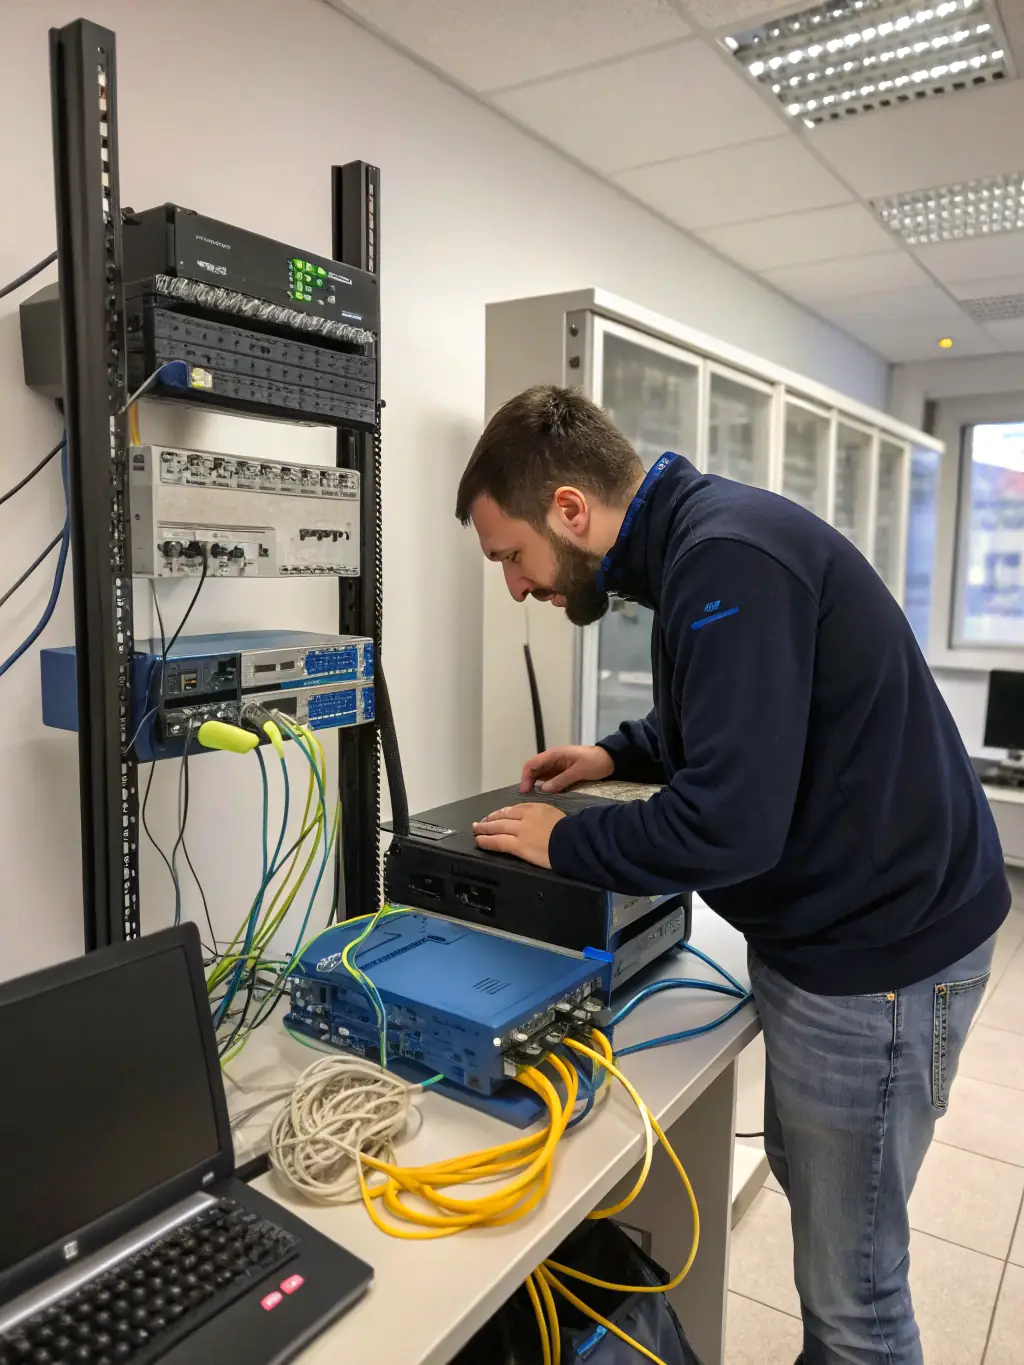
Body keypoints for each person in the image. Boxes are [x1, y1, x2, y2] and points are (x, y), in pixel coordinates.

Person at [454, 384, 1009, 1365]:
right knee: (829, 1218)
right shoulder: (702, 546)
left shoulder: (726, 562)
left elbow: (730, 826)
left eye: (511, 556)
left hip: (878, 958)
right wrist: (617, 757)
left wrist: (561, 843)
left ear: (571, 510)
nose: (516, 587)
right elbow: (730, 725)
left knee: (855, 1298)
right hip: (848, 933)